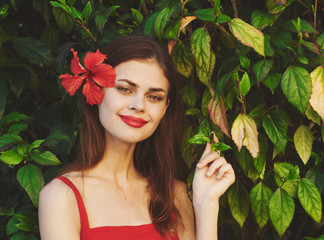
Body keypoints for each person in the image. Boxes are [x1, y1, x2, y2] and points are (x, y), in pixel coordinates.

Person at [38, 35, 235, 240]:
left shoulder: (174, 195)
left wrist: (206, 204)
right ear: (96, 91)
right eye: (124, 89)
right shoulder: (61, 197)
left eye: (154, 97)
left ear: (165, 108)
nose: (139, 105)